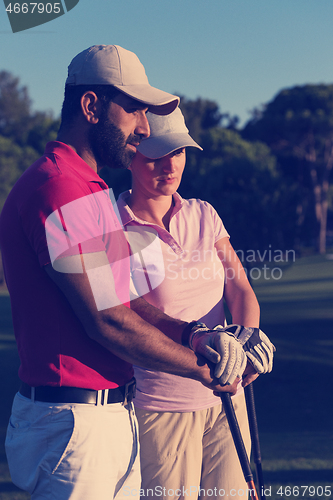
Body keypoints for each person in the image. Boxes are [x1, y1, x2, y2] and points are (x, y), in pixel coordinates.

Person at [0, 45, 247, 500]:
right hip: (72, 426)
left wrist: (195, 335)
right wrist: (204, 369)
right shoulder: (59, 188)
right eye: (134, 110)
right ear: (91, 107)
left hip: (106, 418)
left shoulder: (88, 188)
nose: (145, 128)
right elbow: (107, 319)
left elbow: (126, 301)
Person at [116, 107, 275, 499]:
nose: (170, 166)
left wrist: (248, 335)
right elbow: (130, 310)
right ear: (131, 154)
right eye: (156, 155)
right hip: (161, 406)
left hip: (227, 397)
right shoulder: (115, 226)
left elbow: (239, 289)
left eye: (180, 152)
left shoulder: (204, 214)